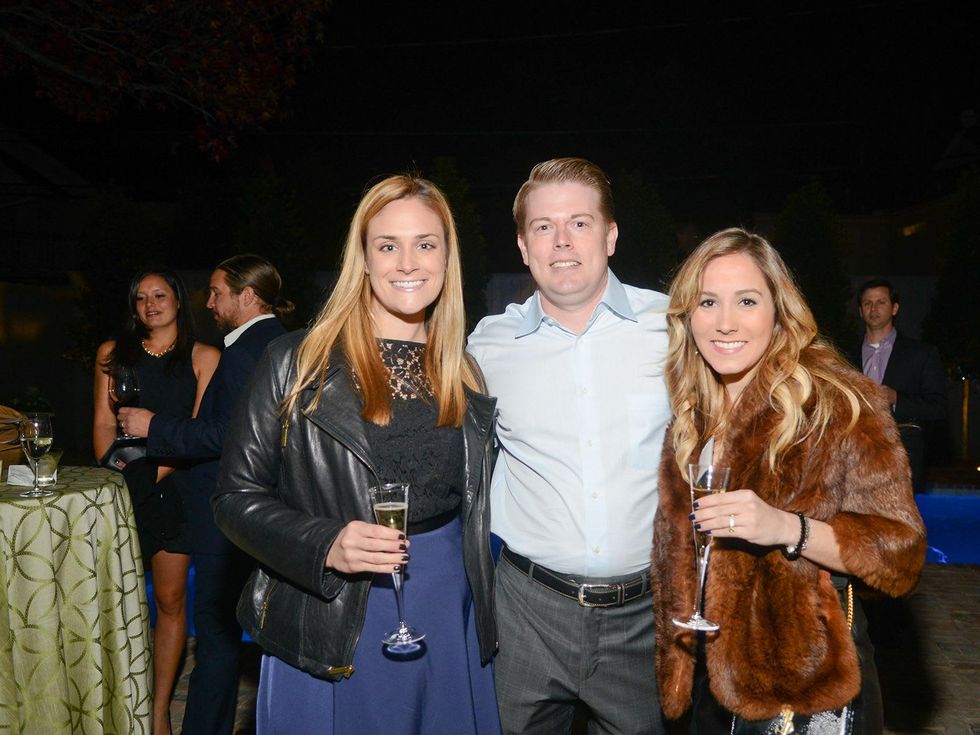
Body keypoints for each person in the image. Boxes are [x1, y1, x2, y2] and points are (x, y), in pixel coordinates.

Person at [212, 175, 500, 734]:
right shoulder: (295, 362)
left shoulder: (463, 370)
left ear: (447, 257)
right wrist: (326, 545)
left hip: (446, 603)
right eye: (387, 245)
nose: (407, 262)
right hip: (336, 607)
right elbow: (233, 499)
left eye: (426, 243)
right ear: (363, 259)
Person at [652, 228, 926, 733]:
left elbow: (900, 554)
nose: (726, 322)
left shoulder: (839, 406)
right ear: (688, 315)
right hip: (707, 686)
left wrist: (787, 528)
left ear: (779, 312)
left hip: (802, 692)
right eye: (708, 302)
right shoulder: (691, 414)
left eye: (747, 301)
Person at [468, 157, 670, 734]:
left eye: (580, 223)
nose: (561, 241)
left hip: (645, 618)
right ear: (523, 246)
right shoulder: (487, 346)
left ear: (610, 236)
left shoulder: (676, 329)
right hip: (525, 615)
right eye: (543, 227)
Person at [117, 255, 291, 735]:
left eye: (217, 293)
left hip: (232, 504)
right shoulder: (278, 342)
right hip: (266, 504)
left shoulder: (245, 351)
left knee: (215, 636)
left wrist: (154, 427)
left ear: (247, 295)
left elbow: (225, 435)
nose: (209, 303)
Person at [93, 268, 220, 735]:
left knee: (169, 600)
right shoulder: (113, 354)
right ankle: (115, 698)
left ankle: (160, 710)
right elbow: (104, 428)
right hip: (122, 488)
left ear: (178, 301)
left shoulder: (205, 356)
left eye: (160, 295)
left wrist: (152, 473)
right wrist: (120, 477)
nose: (150, 304)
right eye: (141, 297)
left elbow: (195, 432)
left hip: (177, 489)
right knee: (118, 600)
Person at [850, 278, 946, 491]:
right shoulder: (845, 357)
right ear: (860, 311)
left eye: (881, 302)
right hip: (854, 458)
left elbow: (938, 408)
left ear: (894, 308)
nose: (874, 308)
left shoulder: (921, 354)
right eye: (867, 303)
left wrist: (896, 399)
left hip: (904, 457)